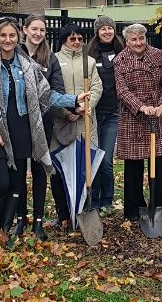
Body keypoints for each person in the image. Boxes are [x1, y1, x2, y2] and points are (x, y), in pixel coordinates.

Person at [0, 16, 88, 243]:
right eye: (3, 35)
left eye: (12, 36)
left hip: (21, 131)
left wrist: (73, 99)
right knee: (3, 182)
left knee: (15, 183)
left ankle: (5, 229)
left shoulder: (28, 65)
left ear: (18, 37)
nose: (8, 39)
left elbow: (46, 95)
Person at [114, 23, 162, 222]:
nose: (138, 43)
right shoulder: (120, 60)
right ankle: (134, 209)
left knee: (157, 162)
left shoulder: (159, 55)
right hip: (133, 118)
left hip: (157, 116)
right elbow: (122, 91)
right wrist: (140, 107)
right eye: (134, 39)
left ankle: (159, 208)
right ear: (127, 41)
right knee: (133, 165)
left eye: (141, 38)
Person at [19, 13, 66, 240]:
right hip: (17, 121)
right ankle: (20, 219)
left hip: (42, 121)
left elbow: (56, 89)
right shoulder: (14, 53)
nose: (38, 34)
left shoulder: (50, 58)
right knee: (17, 171)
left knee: (39, 170)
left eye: (42, 30)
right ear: (25, 29)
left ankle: (38, 221)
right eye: (34, 29)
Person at [52, 23, 103, 224]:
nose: (76, 42)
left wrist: (87, 107)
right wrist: (66, 111)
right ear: (64, 39)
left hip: (85, 123)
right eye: (72, 38)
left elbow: (96, 87)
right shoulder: (54, 60)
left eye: (80, 39)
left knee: (87, 165)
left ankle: (86, 208)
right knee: (60, 168)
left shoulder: (89, 62)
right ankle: (63, 213)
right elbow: (50, 92)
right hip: (63, 123)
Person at [86, 15, 124, 213]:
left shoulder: (122, 52)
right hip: (93, 114)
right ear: (97, 32)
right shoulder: (90, 55)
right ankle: (94, 198)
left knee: (106, 159)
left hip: (112, 114)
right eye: (103, 29)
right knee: (93, 157)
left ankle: (107, 199)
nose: (107, 31)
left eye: (110, 28)